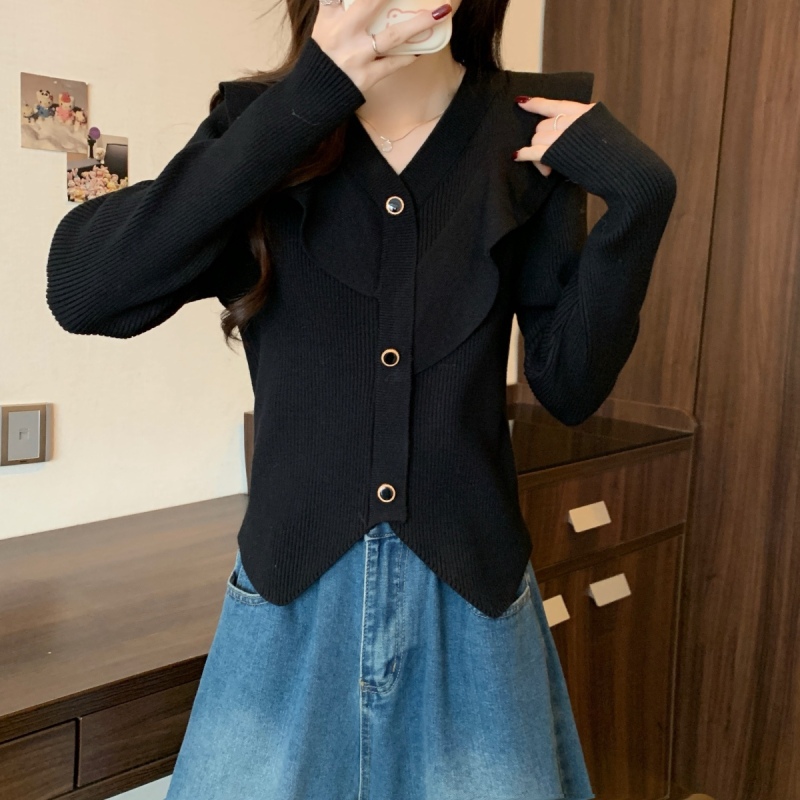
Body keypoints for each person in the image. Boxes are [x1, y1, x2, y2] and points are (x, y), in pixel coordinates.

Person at [46, 0, 677, 797]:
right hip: (289, 597)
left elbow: (569, 387)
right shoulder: (267, 127)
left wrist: (641, 200)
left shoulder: (525, 130)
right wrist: (308, 97)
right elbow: (85, 292)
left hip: (473, 602)